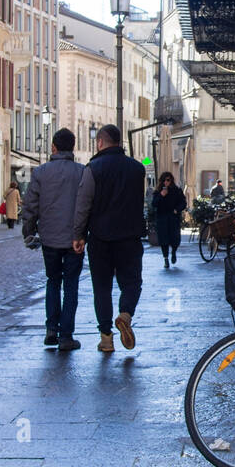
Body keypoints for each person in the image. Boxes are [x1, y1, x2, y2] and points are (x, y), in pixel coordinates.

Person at [72, 123, 146, 353]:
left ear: (100, 142)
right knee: (132, 282)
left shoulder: (93, 168)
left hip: (101, 237)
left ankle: (106, 338)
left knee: (102, 288)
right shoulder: (137, 168)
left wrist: (78, 234)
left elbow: (83, 204)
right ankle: (125, 314)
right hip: (130, 236)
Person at [21, 129, 86, 352]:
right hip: (74, 239)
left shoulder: (40, 172)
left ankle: (51, 329)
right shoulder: (82, 172)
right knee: (71, 285)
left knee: (52, 281)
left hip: (49, 237)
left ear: (53, 147)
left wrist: (28, 232)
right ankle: (66, 335)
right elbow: (87, 206)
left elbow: (30, 206)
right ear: (73, 148)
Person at [151, 171, 187, 270]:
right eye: (164, 180)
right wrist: (161, 195)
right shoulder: (158, 192)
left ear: (171, 180)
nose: (166, 182)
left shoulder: (177, 191)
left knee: (175, 238)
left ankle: (174, 252)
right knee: (163, 239)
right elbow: (154, 204)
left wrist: (177, 210)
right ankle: (166, 259)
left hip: (173, 218)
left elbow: (183, 203)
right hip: (162, 218)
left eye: (168, 180)